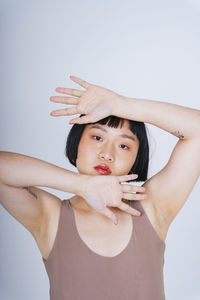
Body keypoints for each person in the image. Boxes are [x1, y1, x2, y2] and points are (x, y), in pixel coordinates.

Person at [0, 75, 199, 300]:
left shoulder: (152, 206)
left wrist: (121, 104)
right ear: (76, 142)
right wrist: (82, 184)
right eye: (97, 137)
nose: (107, 153)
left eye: (124, 145)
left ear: (137, 159)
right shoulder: (50, 216)